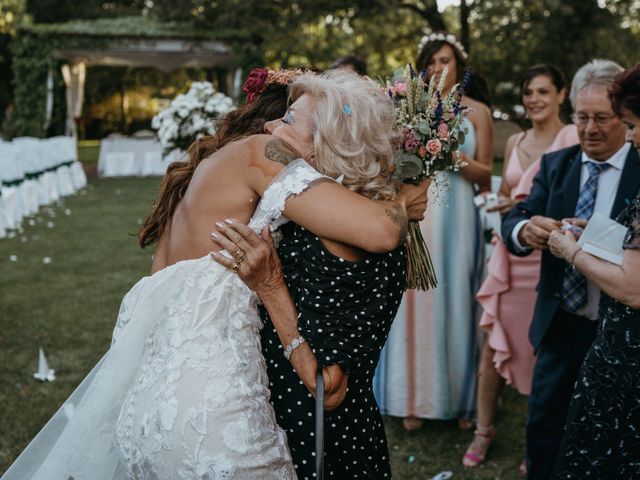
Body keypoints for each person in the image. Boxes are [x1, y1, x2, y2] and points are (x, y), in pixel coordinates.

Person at [1, 69, 427, 480]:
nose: (274, 125)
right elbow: (383, 230)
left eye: (290, 119)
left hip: (147, 410)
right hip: (215, 414)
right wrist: (405, 200)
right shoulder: (263, 151)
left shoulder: (208, 179)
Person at [501, 59, 640, 480]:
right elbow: (515, 217)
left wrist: (580, 246)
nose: (589, 129)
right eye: (581, 118)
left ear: (622, 117)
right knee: (545, 426)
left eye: (602, 118)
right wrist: (527, 230)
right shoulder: (557, 162)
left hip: (620, 334)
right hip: (562, 319)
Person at [374, 31, 494, 431]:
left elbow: (487, 176)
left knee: (460, 302)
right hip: (421, 214)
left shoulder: (478, 111)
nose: (439, 68)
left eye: (446, 60)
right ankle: (412, 397)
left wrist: (451, 154)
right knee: (415, 307)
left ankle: (461, 399)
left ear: (459, 63)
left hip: (459, 220)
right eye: (433, 62)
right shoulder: (411, 110)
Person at [463, 65, 579, 469]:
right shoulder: (515, 141)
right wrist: (506, 207)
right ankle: (484, 429)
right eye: (529, 92)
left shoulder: (574, 137)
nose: (534, 99)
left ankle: (540, 438)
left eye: (543, 91)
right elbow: (510, 195)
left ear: (562, 95)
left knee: (545, 350)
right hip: (510, 253)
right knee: (492, 343)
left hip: (551, 258)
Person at [550, 63, 640, 479]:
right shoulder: (559, 163)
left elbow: (633, 287)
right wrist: (601, 232)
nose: (633, 135)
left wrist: (572, 251)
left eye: (633, 125)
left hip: (629, 359)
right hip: (565, 324)